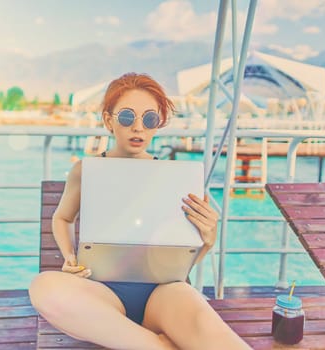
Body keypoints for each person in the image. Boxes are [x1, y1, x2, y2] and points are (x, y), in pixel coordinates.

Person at [29, 73, 251, 350]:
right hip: (101, 295)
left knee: (206, 326)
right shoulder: (85, 171)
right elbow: (62, 218)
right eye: (126, 117)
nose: (138, 128)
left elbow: (186, 259)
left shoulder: (176, 178)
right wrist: (70, 257)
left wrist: (207, 240)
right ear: (109, 121)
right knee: (45, 288)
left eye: (149, 119)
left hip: (163, 293)